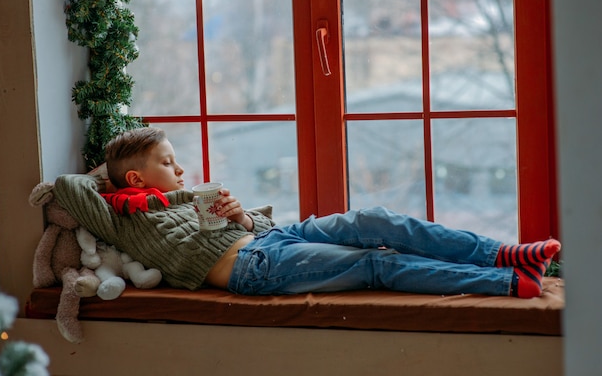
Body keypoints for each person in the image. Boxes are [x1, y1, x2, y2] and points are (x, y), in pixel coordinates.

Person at [53, 127, 561, 299]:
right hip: (254, 269)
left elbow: (256, 224)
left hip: (272, 235)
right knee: (375, 263)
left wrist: (242, 217)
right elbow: (67, 185)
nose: (181, 169)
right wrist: (115, 175)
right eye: (168, 162)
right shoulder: (119, 215)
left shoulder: (182, 195)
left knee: (374, 220)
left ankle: (504, 255)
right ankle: (504, 284)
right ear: (137, 179)